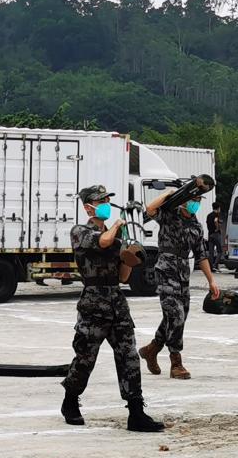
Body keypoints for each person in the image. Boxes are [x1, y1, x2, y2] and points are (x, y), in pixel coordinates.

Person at [60, 184, 164, 432]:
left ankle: (136, 412)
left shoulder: (116, 238)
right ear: (88, 207)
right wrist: (119, 225)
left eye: (107, 200)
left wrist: (130, 258)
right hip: (93, 304)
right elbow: (103, 241)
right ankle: (70, 401)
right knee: (85, 358)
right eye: (101, 201)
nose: (106, 204)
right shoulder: (80, 232)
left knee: (129, 356)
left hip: (117, 302)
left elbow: (123, 277)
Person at [138, 175, 220, 380]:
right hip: (166, 270)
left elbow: (201, 255)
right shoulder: (168, 214)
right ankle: (176, 362)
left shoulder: (196, 226)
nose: (195, 204)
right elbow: (150, 209)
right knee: (176, 315)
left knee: (175, 317)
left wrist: (211, 280)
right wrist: (169, 194)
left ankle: (152, 349)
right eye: (193, 200)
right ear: (184, 200)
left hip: (183, 273)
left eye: (198, 201)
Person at [206, 202, 224, 271]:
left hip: (210, 234)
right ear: (218, 208)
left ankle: (211, 267)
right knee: (220, 251)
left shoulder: (209, 215)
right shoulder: (216, 215)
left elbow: (207, 223)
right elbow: (216, 221)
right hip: (216, 234)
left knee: (211, 252)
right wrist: (217, 228)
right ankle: (215, 265)